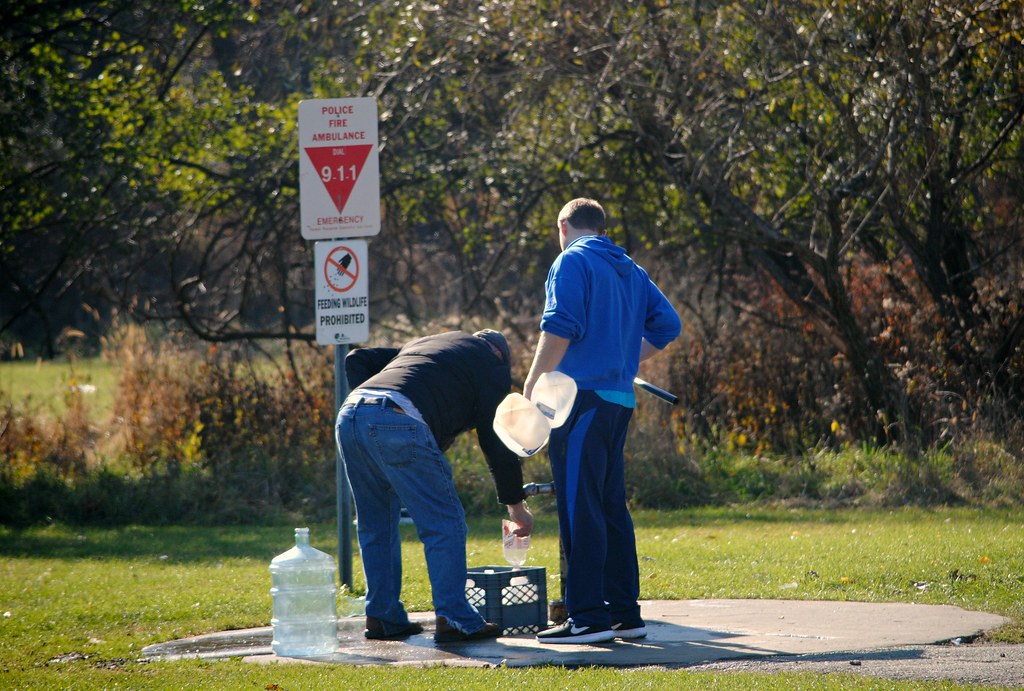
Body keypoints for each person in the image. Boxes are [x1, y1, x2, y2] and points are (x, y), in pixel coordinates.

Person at [523, 198, 681, 644]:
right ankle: (624, 614)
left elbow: (559, 327)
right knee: (610, 506)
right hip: (617, 401)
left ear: (563, 226)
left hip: (579, 401)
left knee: (579, 506)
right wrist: (624, 357)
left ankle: (588, 617)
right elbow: (668, 326)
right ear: (602, 227)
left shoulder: (570, 260)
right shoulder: (630, 267)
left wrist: (531, 385)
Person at [336, 329, 533, 644]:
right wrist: (516, 506)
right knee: (444, 522)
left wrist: (372, 413)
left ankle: (383, 617)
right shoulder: (490, 365)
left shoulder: (430, 347)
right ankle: (455, 618)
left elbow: (357, 359)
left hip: (350, 416)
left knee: (376, 524)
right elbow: (496, 443)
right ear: (501, 356)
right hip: (397, 418)